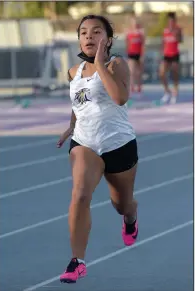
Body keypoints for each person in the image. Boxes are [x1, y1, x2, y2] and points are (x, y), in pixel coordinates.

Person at [57, 14, 139, 284]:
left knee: (121, 204)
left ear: (109, 40)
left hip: (118, 145)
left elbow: (120, 97)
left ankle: (130, 217)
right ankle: (77, 261)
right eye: (83, 33)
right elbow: (78, 101)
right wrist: (71, 126)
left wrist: (100, 64)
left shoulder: (117, 65)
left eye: (96, 32)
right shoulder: (73, 72)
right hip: (85, 142)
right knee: (80, 194)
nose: (89, 36)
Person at [159, 12, 183, 104]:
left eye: (172, 21)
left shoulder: (178, 29)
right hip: (166, 55)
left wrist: (175, 34)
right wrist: (162, 51)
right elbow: (163, 42)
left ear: (174, 21)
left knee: (175, 74)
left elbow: (181, 40)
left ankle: (175, 94)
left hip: (175, 54)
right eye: (169, 21)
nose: (170, 22)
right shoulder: (165, 30)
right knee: (161, 73)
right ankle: (167, 92)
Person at [125, 14, 145, 98]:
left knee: (139, 72)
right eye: (133, 22)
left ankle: (139, 88)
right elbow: (127, 43)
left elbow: (143, 44)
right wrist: (127, 53)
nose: (135, 23)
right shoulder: (128, 31)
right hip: (131, 53)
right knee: (131, 71)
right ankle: (132, 88)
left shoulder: (141, 31)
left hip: (139, 53)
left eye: (136, 22)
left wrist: (142, 55)